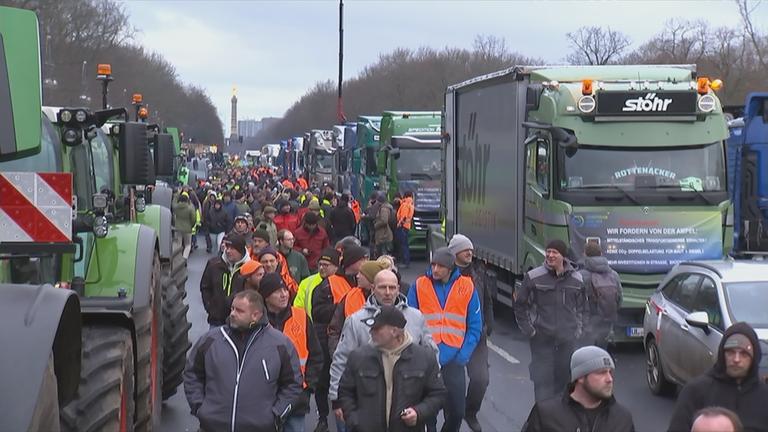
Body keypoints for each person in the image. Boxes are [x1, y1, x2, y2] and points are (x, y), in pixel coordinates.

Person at [183, 290, 303, 432]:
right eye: (232, 309)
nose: (233, 314)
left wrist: (276, 415)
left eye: (240, 311)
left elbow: (293, 384)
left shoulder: (279, 345)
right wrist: (200, 408)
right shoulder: (210, 340)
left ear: (256, 315)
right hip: (213, 427)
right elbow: (192, 375)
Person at [330, 269, 437, 418]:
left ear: (398, 289)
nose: (388, 292)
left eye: (392, 288)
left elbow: (431, 354)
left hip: (408, 400)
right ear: (373, 289)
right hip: (367, 399)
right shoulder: (356, 321)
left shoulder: (416, 317)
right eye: (382, 287)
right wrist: (336, 398)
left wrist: (429, 392)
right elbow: (341, 359)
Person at [336, 305, 446, 432]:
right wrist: (356, 420)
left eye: (377, 329)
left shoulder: (424, 358)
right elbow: (345, 392)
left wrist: (418, 413)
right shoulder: (358, 357)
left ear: (394, 331)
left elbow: (437, 395)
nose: (371, 332)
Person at [408, 247, 483, 432]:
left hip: (454, 361)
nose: (435, 270)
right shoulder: (418, 285)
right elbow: (409, 321)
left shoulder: (467, 286)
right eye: (433, 265)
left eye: (440, 266)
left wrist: (463, 356)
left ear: (451, 268)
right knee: (427, 415)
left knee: (457, 412)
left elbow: (475, 326)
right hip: (427, 360)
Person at [514, 239, 587, 402]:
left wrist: (578, 330)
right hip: (542, 339)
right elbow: (520, 305)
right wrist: (530, 330)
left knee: (564, 383)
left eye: (555, 252)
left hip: (566, 341)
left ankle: (560, 420)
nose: (550, 255)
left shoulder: (577, 280)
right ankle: (541, 419)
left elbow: (583, 308)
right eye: (548, 251)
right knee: (542, 383)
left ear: (563, 256)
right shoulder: (534, 277)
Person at [668, 322, 768, 432]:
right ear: (722, 353)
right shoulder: (696, 391)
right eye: (731, 352)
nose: (736, 359)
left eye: (744, 354)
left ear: (754, 358)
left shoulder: (764, 396)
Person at [310, 245, 367, 432]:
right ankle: (324, 417)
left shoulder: (364, 281)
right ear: (353, 262)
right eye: (362, 259)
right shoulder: (328, 284)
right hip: (331, 340)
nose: (365, 262)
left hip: (358, 339)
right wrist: (339, 307)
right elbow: (317, 312)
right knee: (325, 381)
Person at [259, 273, 324, 432]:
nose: (284, 294)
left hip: (296, 396)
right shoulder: (257, 321)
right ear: (266, 297)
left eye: (285, 290)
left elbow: (316, 355)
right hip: (264, 396)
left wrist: (308, 386)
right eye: (277, 291)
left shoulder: (301, 317)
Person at [521, 345, 635, 432]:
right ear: (580, 377)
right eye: (601, 373)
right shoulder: (546, 415)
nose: (609, 379)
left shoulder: (622, 418)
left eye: (610, 372)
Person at [448, 234, 493, 432]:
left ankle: (470, 412)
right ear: (455, 252)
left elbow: (488, 299)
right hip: (451, 336)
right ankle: (452, 417)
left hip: (476, 336)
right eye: (465, 249)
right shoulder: (445, 273)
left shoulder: (478, 272)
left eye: (471, 250)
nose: (470, 253)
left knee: (481, 379)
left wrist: (488, 323)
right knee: (449, 385)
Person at [326, 258, 383, 354]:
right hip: (352, 356)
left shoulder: (386, 299)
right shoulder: (349, 297)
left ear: (370, 278)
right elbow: (335, 329)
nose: (357, 276)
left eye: (362, 274)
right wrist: (336, 353)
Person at [200, 234, 251, 327]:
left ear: (241, 250)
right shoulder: (214, 264)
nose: (228, 251)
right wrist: (210, 307)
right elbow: (205, 287)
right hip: (216, 320)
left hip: (240, 322)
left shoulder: (249, 268)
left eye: (232, 248)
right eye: (227, 247)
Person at [579, 242, 622, 349]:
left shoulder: (580, 276)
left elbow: (577, 301)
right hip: (606, 320)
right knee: (601, 351)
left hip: (588, 322)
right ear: (601, 253)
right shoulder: (613, 274)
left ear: (584, 254)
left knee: (586, 354)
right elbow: (620, 299)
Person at [293, 248, 339, 320]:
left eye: (325, 265)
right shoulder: (306, 282)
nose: (321, 268)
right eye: (320, 264)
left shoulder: (341, 283)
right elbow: (298, 308)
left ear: (336, 267)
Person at [173, 191, 197, 259]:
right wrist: (191, 225)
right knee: (188, 245)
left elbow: (173, 203)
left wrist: (177, 194)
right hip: (187, 229)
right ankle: (184, 258)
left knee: (178, 244)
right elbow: (193, 219)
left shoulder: (176, 207)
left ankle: (178, 258)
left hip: (177, 228)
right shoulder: (190, 208)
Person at [395, 191, 414, 268]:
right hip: (407, 226)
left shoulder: (405, 205)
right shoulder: (410, 204)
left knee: (403, 245)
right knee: (405, 244)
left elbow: (404, 216)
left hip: (403, 226)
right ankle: (406, 261)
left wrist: (399, 224)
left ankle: (405, 262)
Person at [373, 194, 395, 258]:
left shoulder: (384, 209)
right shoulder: (387, 208)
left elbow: (384, 221)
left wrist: (376, 225)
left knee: (383, 254)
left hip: (383, 234)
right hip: (386, 234)